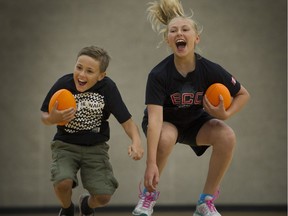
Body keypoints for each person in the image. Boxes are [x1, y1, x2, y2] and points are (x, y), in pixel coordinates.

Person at [132, 0, 250, 216]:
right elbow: (155, 121)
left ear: (196, 38)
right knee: (165, 137)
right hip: (165, 123)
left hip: (195, 123)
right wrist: (150, 163)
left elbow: (243, 94)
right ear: (168, 40)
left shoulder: (210, 69)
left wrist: (226, 113)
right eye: (173, 30)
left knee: (227, 136)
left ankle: (205, 202)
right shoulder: (158, 75)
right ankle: (148, 196)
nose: (179, 33)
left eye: (185, 29)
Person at [40, 45, 144, 216]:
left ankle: (87, 205)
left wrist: (137, 142)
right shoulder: (64, 84)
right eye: (79, 67)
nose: (81, 75)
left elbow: (127, 121)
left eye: (89, 71)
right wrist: (52, 119)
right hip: (65, 145)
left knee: (103, 197)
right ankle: (67, 210)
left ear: (101, 76)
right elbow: (44, 115)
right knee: (62, 182)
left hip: (95, 148)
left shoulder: (108, 88)